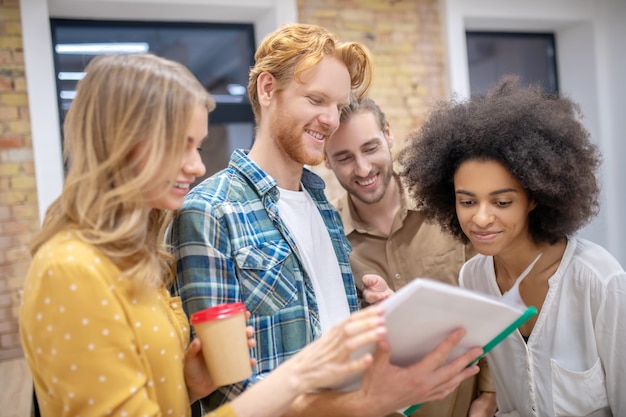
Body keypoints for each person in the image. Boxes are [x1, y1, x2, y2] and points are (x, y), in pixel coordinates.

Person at [18, 52, 398, 417]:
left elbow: (152, 393)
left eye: (197, 146)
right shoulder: (70, 270)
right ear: (122, 141)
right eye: (182, 144)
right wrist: (302, 376)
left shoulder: (137, 261)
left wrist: (188, 383)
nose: (197, 165)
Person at [170, 23, 483, 417]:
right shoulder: (210, 211)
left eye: (337, 105)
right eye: (316, 100)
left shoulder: (324, 209)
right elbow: (223, 388)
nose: (331, 120)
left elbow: (335, 343)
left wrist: (379, 323)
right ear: (268, 90)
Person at [398, 75, 626, 416]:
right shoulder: (473, 277)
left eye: (501, 202)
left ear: (534, 198)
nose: (481, 218)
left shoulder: (598, 280)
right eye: (467, 202)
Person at [324, 96, 497, 417]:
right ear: (326, 160)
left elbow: (492, 297)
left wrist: (490, 394)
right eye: (344, 157)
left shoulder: (450, 208)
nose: (362, 169)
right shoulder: (326, 238)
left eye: (370, 148)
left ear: (388, 134)